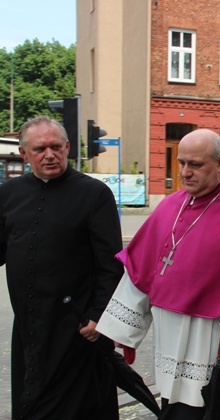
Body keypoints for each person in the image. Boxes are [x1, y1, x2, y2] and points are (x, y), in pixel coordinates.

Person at [97, 129, 220, 419]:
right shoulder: (169, 205)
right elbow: (141, 267)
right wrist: (122, 330)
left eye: (195, 165)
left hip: (212, 339)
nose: (185, 172)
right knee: (174, 405)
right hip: (170, 333)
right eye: (182, 163)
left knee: (217, 408)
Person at [0, 116, 124, 419]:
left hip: (79, 329)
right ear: (24, 154)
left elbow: (112, 264)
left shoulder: (94, 194)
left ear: (67, 147)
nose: (50, 154)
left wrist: (99, 316)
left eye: (56, 146)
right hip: (29, 326)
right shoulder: (8, 194)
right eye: (40, 148)